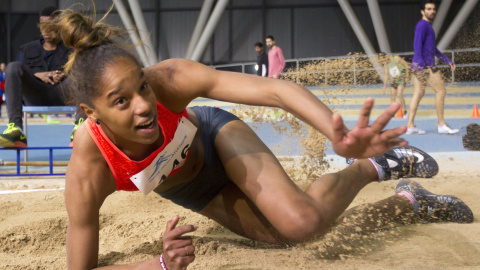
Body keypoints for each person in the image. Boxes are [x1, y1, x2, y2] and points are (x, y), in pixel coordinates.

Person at [57, 9, 473, 270]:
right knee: (289, 240)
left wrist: (335, 132)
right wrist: (159, 264)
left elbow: (275, 90)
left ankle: (373, 165)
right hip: (194, 190)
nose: (143, 106)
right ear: (90, 114)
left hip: (216, 137)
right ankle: (408, 202)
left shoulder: (167, 80)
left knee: (302, 220)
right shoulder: (90, 168)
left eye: (141, 89)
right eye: (121, 102)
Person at [0, 6, 73, 147]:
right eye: (42, 25)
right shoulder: (27, 49)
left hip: (62, 95)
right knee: (13, 67)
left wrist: (65, 75)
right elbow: (16, 76)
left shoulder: (70, 51)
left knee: (81, 70)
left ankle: (80, 130)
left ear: (59, 25)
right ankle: (15, 131)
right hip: (34, 95)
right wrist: (38, 75)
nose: (45, 29)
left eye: (50, 25)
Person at [407, 0, 459, 135]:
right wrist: (420, 67)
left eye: (433, 9)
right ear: (422, 11)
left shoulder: (428, 26)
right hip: (425, 66)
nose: (432, 11)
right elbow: (417, 46)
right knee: (441, 91)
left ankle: (410, 126)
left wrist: (447, 60)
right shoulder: (422, 25)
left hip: (420, 65)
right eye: (429, 9)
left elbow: (432, 49)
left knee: (418, 94)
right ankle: (441, 125)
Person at [380, 53, 410, 118]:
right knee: (392, 96)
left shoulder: (396, 58)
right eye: (383, 61)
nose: (384, 61)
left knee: (399, 94)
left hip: (401, 79)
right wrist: (384, 86)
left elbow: (406, 65)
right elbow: (386, 75)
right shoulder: (386, 64)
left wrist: (407, 76)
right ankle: (392, 113)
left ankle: (405, 112)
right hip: (394, 80)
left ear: (386, 56)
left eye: (384, 59)